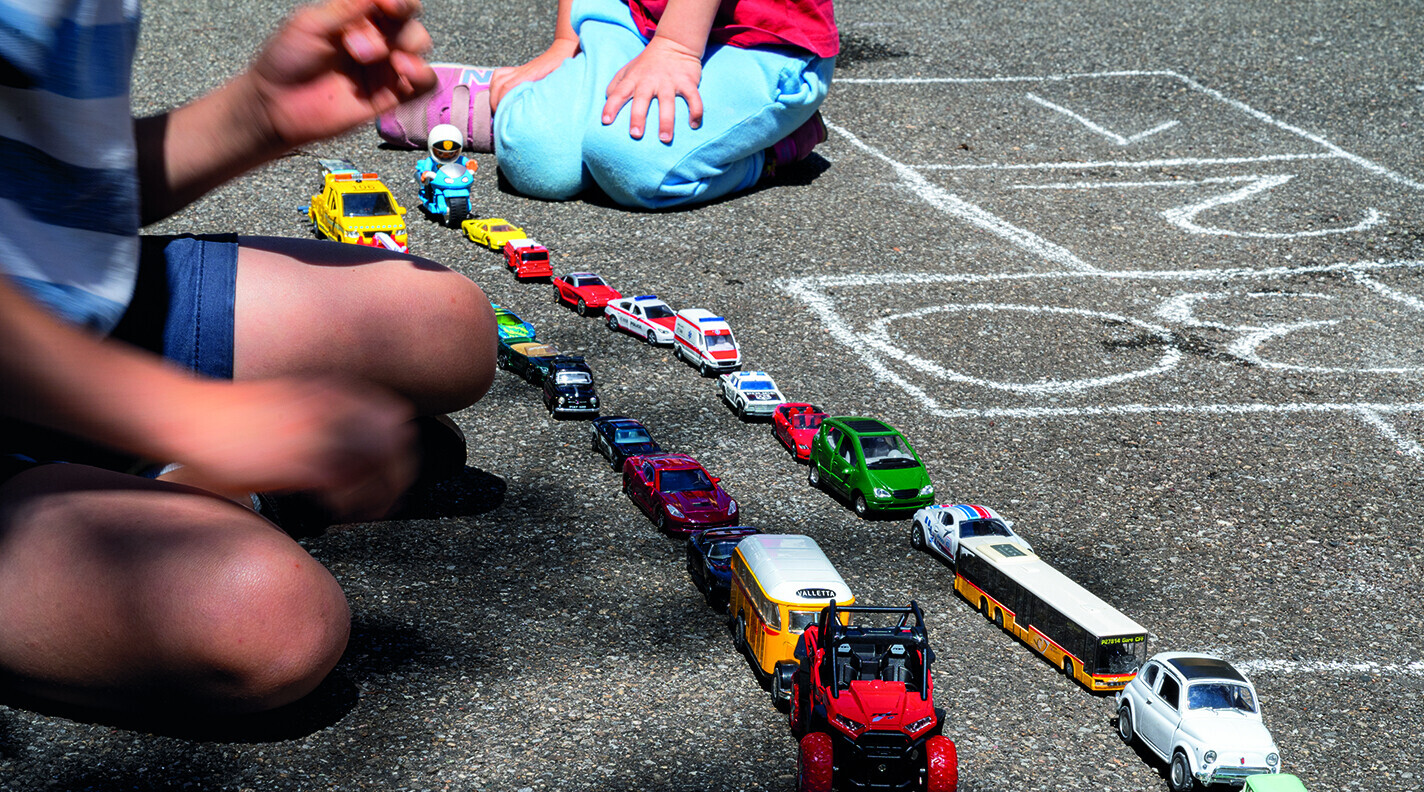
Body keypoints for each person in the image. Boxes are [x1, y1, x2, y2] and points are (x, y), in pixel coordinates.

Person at [0, 0, 498, 719]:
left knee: (444, 327)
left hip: (55, 304)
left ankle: (158, 482)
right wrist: (190, 416)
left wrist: (255, 116)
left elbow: (42, 174)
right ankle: (190, 490)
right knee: (265, 616)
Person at [376, 0, 838, 209]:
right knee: (538, 164)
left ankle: (778, 146)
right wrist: (566, 41)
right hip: (636, 18)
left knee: (634, 167)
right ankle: (503, 92)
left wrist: (675, 48)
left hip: (761, 42)